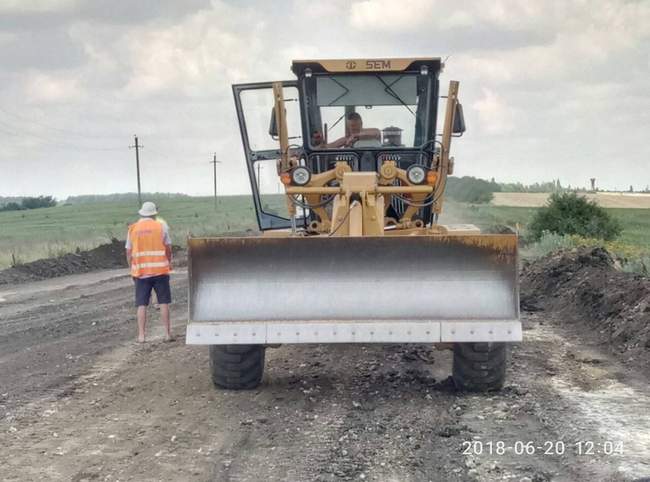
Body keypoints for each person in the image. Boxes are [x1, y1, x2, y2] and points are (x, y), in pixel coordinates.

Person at [125, 201, 173, 343]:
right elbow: (168, 247)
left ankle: (141, 335)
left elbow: (128, 252)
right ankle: (167, 333)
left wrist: (131, 268)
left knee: (142, 304)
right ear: (154, 214)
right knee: (163, 302)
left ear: (141, 213)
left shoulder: (133, 228)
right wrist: (168, 262)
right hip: (160, 271)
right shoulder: (161, 226)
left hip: (141, 272)